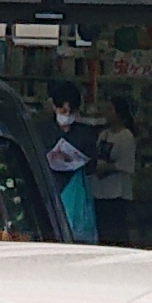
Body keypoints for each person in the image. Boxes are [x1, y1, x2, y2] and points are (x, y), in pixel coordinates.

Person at [41, 92, 100, 244]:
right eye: (63, 111)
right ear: (55, 107)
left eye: (71, 111)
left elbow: (93, 164)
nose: (67, 115)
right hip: (51, 187)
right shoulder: (42, 131)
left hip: (77, 189)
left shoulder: (85, 134)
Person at [92, 101, 139, 245]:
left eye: (110, 110)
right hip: (100, 190)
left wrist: (107, 167)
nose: (107, 113)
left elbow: (127, 164)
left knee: (116, 230)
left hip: (117, 191)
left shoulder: (126, 136)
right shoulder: (104, 134)